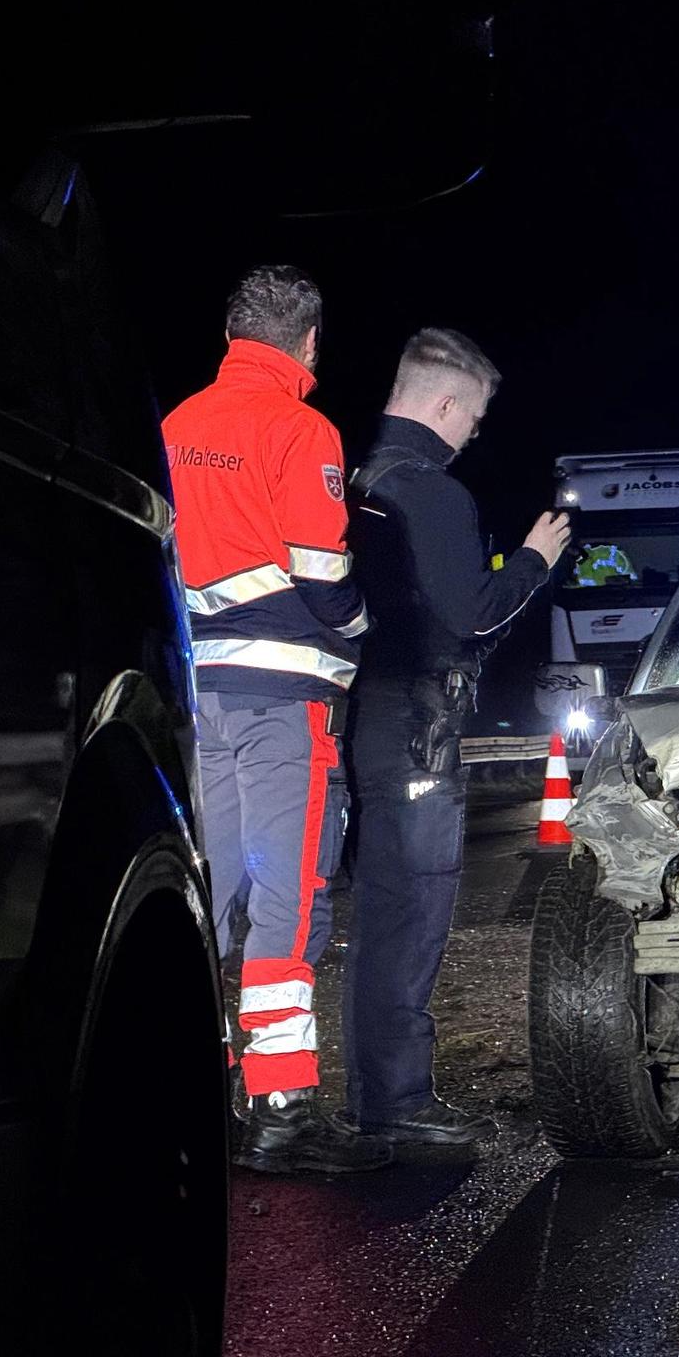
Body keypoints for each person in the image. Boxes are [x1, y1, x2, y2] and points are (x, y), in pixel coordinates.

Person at [162, 265, 391, 1174]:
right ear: (308, 343)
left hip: (200, 692)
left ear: (231, 335)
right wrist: (369, 628)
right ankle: (285, 1111)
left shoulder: (177, 424)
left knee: (209, 894)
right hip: (287, 695)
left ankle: (192, 1085)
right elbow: (321, 571)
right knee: (289, 901)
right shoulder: (303, 428)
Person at [345, 328, 570, 1144]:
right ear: (445, 406)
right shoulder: (433, 493)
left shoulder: (357, 478)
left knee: (377, 913)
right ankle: (397, 1104)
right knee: (413, 910)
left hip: (360, 720)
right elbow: (472, 614)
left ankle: (372, 1094)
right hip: (417, 729)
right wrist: (532, 562)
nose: (473, 434)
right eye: (472, 419)